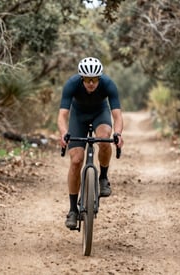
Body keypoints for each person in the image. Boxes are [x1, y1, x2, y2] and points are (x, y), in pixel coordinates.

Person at [57, 57, 124, 229]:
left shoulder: (108, 84)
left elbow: (117, 115)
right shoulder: (71, 84)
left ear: (100, 78)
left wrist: (118, 134)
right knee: (76, 160)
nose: (91, 83)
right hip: (78, 116)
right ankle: (73, 210)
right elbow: (63, 115)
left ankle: (102, 177)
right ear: (81, 78)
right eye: (87, 80)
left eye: (95, 79)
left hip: (100, 113)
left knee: (104, 138)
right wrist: (64, 133)